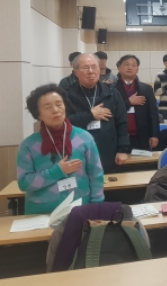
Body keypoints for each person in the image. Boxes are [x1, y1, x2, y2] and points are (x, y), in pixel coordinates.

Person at [17, 84, 105, 214]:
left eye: (59, 104)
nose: (55, 110)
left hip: (80, 209)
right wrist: (57, 172)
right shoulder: (28, 145)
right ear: (38, 114)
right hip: (41, 212)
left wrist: (97, 206)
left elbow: (96, 175)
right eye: (47, 107)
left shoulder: (84, 138)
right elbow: (24, 183)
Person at [64, 54, 130, 174]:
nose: (91, 71)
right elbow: (63, 122)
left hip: (107, 150)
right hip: (77, 151)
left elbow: (122, 122)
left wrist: (123, 149)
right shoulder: (66, 95)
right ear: (76, 72)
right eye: (85, 68)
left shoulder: (111, 92)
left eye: (94, 67)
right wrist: (90, 115)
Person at [115, 54, 160, 151]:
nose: (130, 67)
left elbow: (153, 114)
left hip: (142, 136)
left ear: (137, 70)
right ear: (119, 68)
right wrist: (129, 102)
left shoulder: (146, 89)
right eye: (126, 64)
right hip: (118, 136)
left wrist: (154, 135)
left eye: (134, 65)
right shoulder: (111, 89)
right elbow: (110, 110)